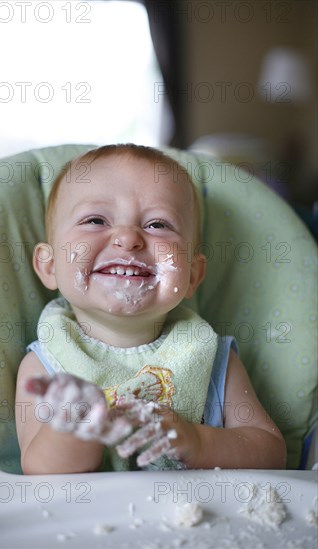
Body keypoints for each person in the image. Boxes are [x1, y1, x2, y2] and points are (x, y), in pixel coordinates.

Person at [15, 144, 286, 475]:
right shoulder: (46, 367)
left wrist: (200, 443)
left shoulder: (211, 357)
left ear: (192, 275)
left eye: (158, 224)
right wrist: (76, 429)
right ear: (49, 265)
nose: (128, 238)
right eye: (96, 220)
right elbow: (38, 472)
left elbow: (270, 451)